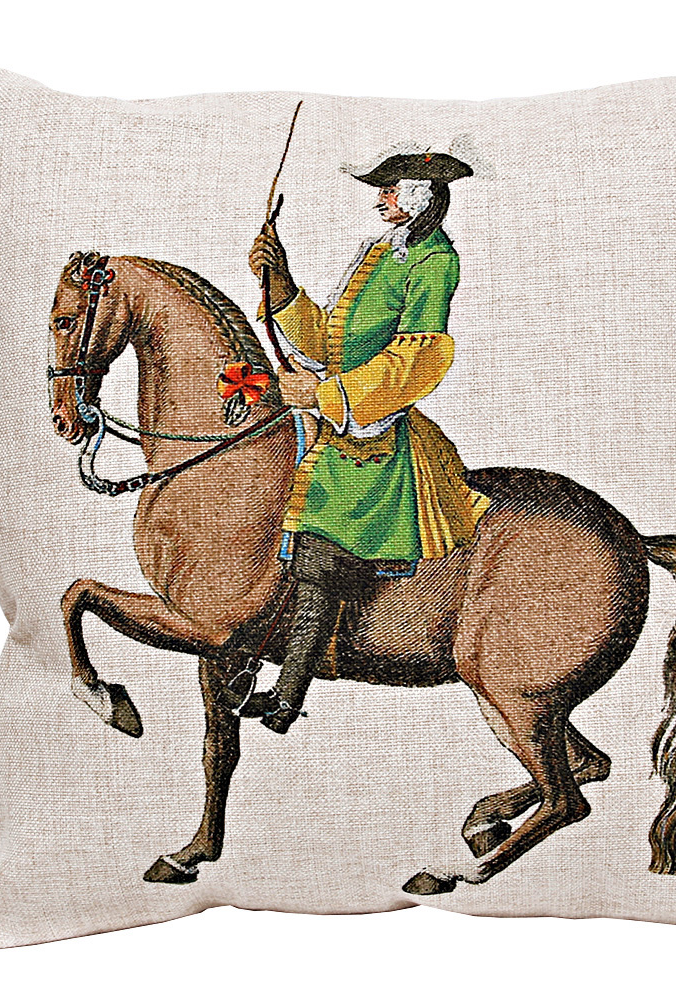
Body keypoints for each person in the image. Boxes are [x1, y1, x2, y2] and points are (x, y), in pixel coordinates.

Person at [241, 149, 490, 733]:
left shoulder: (434, 261)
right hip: (337, 416)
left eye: (391, 189)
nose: (381, 199)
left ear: (422, 195)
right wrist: (280, 279)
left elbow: (417, 359)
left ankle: (287, 695)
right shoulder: (380, 252)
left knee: (320, 547)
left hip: (374, 428)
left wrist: (324, 396)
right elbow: (328, 340)